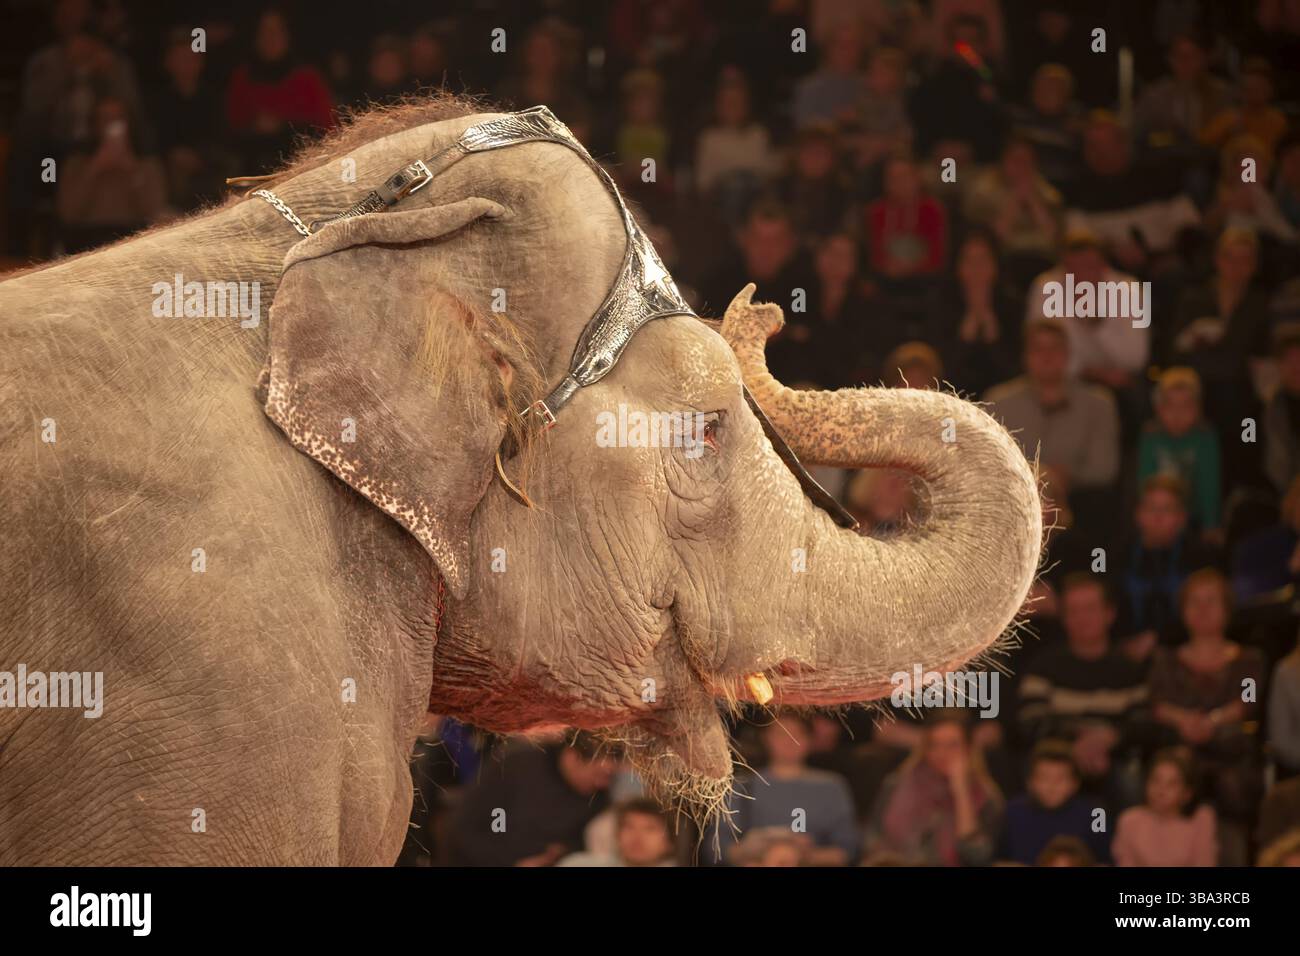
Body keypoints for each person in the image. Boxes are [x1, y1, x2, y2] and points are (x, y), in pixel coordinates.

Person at [1150, 568, 1266, 860]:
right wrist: (1185, 722)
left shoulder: (1249, 658)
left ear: (1227, 608)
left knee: (1232, 784)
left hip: (1230, 755)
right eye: (1194, 602)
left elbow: (1248, 699)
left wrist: (1212, 723)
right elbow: (1157, 702)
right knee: (1174, 773)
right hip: (1179, 751)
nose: (1202, 610)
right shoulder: (1165, 659)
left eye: (1211, 601)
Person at [1016, 575, 1149, 800]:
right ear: (1063, 617)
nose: (1081, 618)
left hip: (1114, 761)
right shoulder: (1044, 665)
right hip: (1056, 762)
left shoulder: (1129, 670)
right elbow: (1030, 720)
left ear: (1109, 613)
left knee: (1133, 780)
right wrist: (1075, 742)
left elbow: (1143, 722)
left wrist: (1111, 739)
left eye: (1089, 609)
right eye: (1073, 611)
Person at [984, 319, 1120, 519]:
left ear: (1068, 355)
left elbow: (1104, 468)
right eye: (1038, 349)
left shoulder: (1099, 404)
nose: (1046, 356)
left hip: (1081, 505)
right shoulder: (997, 401)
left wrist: (1066, 476)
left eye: (1055, 348)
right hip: (1012, 505)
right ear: (1025, 356)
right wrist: (1032, 478)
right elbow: (987, 461)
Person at [445, 733, 617, 867]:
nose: (602, 783)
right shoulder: (515, 767)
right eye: (598, 774)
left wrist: (560, 853)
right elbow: (464, 828)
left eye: (608, 777)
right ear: (572, 758)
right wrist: (510, 864)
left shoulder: (598, 795)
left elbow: (586, 843)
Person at [864, 712, 1003, 866]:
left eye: (952, 745)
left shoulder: (986, 797)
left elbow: (977, 857)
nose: (942, 753)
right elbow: (872, 839)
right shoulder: (896, 783)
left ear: (969, 749)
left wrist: (961, 792)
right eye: (934, 745)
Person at [720, 714, 859, 866]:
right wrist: (749, 850)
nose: (790, 741)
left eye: (798, 733)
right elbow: (717, 848)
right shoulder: (742, 786)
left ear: (810, 739)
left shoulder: (832, 787)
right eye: (781, 734)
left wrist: (805, 855)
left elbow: (848, 849)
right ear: (766, 738)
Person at [1115, 476, 1221, 657]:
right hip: (1127, 653)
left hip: (1188, 651)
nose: (1158, 517)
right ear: (1138, 515)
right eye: (1151, 508)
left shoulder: (1202, 557)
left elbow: (1214, 615)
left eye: (1167, 510)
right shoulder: (1118, 556)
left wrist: (1159, 639)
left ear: (1182, 518)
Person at [56, 93, 167, 252]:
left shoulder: (148, 164)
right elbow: (68, 214)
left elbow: (154, 212)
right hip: (86, 243)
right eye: (106, 119)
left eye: (118, 118)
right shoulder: (75, 164)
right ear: (95, 125)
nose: (112, 125)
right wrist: (94, 169)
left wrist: (132, 170)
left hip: (133, 241)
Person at [1136, 367, 1222, 540]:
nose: (1178, 414)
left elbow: (1209, 485)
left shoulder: (1205, 438)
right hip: (1156, 514)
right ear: (1159, 409)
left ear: (1198, 409)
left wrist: (1211, 525)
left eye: (1186, 406)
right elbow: (1145, 482)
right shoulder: (1150, 436)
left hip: (1193, 518)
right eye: (1170, 406)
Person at [935, 230, 1022, 397]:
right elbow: (940, 374)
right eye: (969, 261)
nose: (977, 269)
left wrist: (993, 336)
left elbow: (1016, 375)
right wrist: (965, 337)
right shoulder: (943, 304)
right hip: (954, 401)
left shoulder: (1012, 306)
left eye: (983, 260)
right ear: (958, 268)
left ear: (995, 266)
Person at [999, 740, 1111, 865]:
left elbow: (1105, 862)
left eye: (1060, 779)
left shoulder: (1096, 813)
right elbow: (999, 861)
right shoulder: (1013, 811)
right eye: (1044, 778)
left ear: (1075, 783)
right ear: (1030, 782)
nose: (1052, 786)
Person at [1111, 747, 1217, 866]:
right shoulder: (1129, 820)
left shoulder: (1201, 818)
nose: (1160, 790)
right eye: (1155, 780)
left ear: (1187, 794)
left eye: (1171, 784)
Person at [557, 799, 676, 867]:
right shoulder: (578, 864)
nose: (637, 837)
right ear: (617, 835)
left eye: (650, 828)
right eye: (629, 827)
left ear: (670, 841)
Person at [1265, 333, 1300, 495]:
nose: (1296, 368)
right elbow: (1247, 441)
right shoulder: (1258, 410)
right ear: (1278, 365)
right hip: (1275, 492)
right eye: (1289, 361)